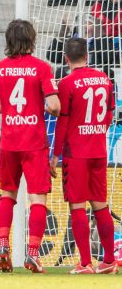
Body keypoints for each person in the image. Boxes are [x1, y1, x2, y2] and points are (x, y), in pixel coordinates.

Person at [0, 19, 60, 273]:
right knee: (37, 198)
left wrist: (13, 111)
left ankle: (3, 245)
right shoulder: (41, 68)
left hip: (8, 142)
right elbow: (55, 107)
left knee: (8, 195)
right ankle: (33, 255)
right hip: (33, 142)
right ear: (32, 39)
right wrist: (36, 107)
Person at [51, 38, 119, 274]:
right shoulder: (105, 80)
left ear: (65, 58)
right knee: (101, 205)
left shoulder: (67, 83)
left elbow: (62, 123)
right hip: (99, 150)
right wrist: (98, 132)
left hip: (76, 152)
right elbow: (110, 114)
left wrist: (55, 155)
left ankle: (85, 263)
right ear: (87, 56)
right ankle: (109, 261)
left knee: (78, 207)